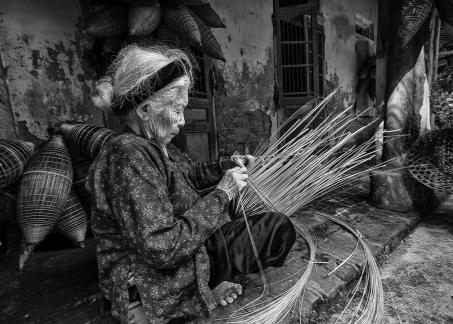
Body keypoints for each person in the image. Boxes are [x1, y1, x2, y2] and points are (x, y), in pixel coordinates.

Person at [87, 44, 296, 324]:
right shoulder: (130, 155)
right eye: (177, 109)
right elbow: (161, 248)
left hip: (180, 252)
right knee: (276, 228)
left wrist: (226, 165)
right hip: (153, 276)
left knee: (259, 226)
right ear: (146, 109)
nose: (183, 120)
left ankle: (210, 281)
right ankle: (200, 289)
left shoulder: (155, 144)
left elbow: (189, 174)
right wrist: (224, 192)